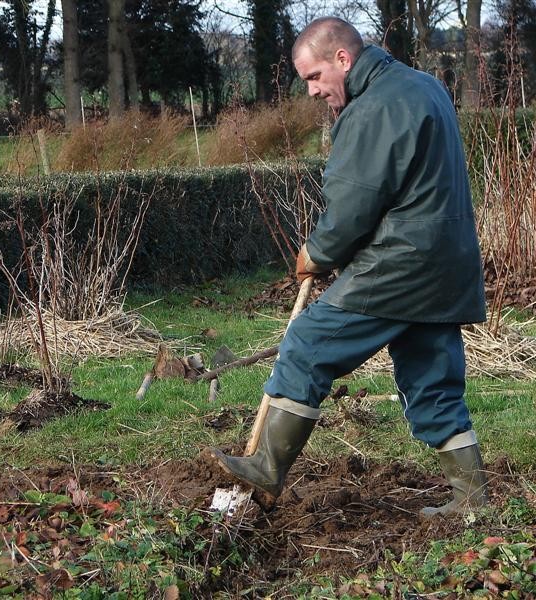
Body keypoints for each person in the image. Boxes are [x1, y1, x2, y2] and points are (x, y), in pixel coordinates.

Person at [209, 17, 488, 517]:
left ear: (343, 58)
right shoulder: (424, 86)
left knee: (306, 346)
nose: (313, 91)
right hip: (446, 264)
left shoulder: (373, 107)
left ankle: (267, 467)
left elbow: (354, 205)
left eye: (315, 77)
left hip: (400, 264)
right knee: (431, 377)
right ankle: (471, 499)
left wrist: (316, 253)